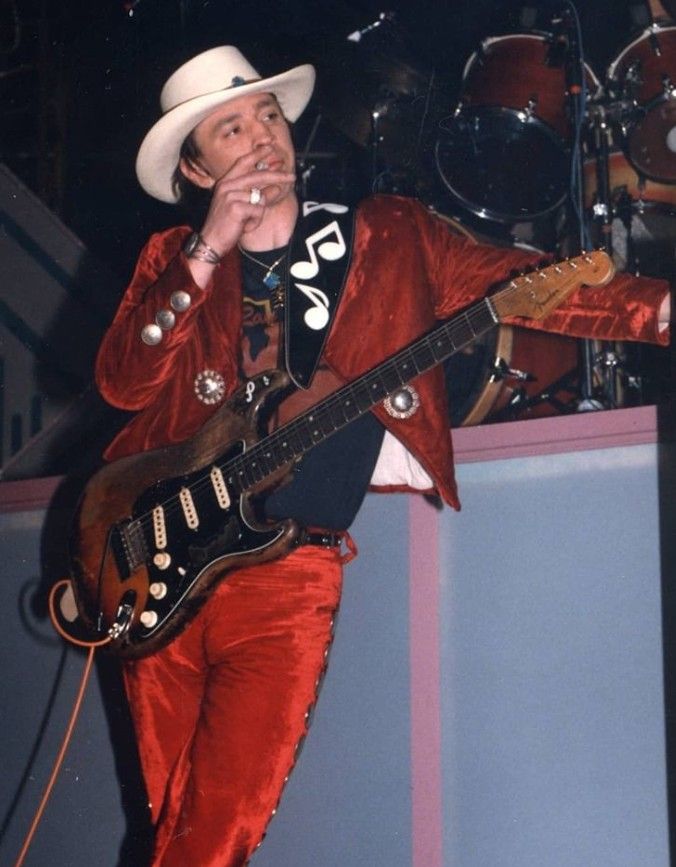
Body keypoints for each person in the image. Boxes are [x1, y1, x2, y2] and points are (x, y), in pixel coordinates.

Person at [94, 45, 671, 866]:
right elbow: (122, 381)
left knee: (216, 836)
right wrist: (208, 249)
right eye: (231, 128)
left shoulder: (386, 235)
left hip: (285, 573)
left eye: (268, 114)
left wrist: (659, 308)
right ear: (195, 167)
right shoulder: (170, 263)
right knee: (174, 826)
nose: (263, 136)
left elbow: (541, 280)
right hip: (159, 565)